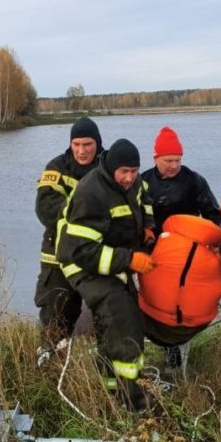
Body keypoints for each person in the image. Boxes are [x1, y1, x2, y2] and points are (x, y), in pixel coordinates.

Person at [56, 138, 156, 411]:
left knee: (125, 320)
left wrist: (148, 225)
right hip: (82, 263)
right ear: (112, 168)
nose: (129, 178)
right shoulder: (91, 192)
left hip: (113, 259)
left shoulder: (133, 182)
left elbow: (144, 196)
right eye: (124, 172)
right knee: (122, 320)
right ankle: (135, 402)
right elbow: (82, 251)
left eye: (134, 171)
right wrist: (130, 259)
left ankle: (110, 388)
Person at [141, 125, 221, 370]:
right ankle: (151, 344)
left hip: (187, 254)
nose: (173, 165)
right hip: (153, 252)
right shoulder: (142, 182)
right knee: (153, 300)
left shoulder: (194, 181)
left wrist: (204, 246)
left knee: (179, 301)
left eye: (177, 160)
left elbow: (213, 215)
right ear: (155, 158)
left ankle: (175, 347)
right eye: (168, 160)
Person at [34, 117, 103, 364]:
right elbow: (45, 209)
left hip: (98, 255)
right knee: (56, 312)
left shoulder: (108, 166)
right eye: (76, 144)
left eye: (87, 144)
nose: (81, 151)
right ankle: (50, 364)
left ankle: (102, 369)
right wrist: (85, 210)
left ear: (98, 143)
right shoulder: (57, 168)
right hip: (58, 255)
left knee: (108, 313)